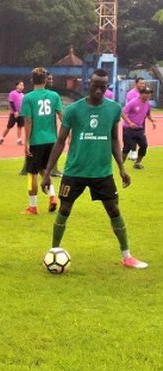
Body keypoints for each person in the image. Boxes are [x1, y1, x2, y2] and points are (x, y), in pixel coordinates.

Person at [41, 69, 147, 270]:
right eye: (95, 85)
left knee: (114, 209)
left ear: (107, 87)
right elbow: (60, 141)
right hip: (74, 172)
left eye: (103, 86)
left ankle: (127, 256)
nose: (99, 89)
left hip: (102, 172)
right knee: (64, 209)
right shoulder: (73, 110)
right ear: (88, 84)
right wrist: (47, 173)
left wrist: (122, 168)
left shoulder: (114, 109)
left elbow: (115, 139)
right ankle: (53, 251)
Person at [19, 67, 62, 214]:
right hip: (51, 140)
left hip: (36, 141)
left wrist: (27, 142)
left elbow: (28, 121)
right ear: (45, 80)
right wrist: (67, 135)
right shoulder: (54, 96)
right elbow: (62, 116)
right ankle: (52, 197)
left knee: (32, 174)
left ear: (32, 80)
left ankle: (33, 207)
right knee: (45, 170)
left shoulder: (28, 98)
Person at [121, 87, 156, 170]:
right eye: (146, 93)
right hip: (128, 129)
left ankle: (137, 163)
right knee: (127, 148)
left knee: (144, 145)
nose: (148, 95)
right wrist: (130, 123)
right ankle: (121, 165)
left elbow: (148, 114)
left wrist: (152, 121)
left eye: (149, 93)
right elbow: (123, 113)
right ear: (141, 94)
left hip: (139, 129)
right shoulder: (133, 102)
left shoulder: (147, 104)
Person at [0, 81, 25, 146]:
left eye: (23, 85)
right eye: (20, 85)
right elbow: (11, 103)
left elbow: (23, 105)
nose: (22, 86)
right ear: (17, 86)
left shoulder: (22, 95)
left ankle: (19, 140)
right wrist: (15, 111)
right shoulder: (12, 93)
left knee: (20, 126)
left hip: (21, 114)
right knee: (9, 127)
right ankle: (2, 138)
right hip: (13, 114)